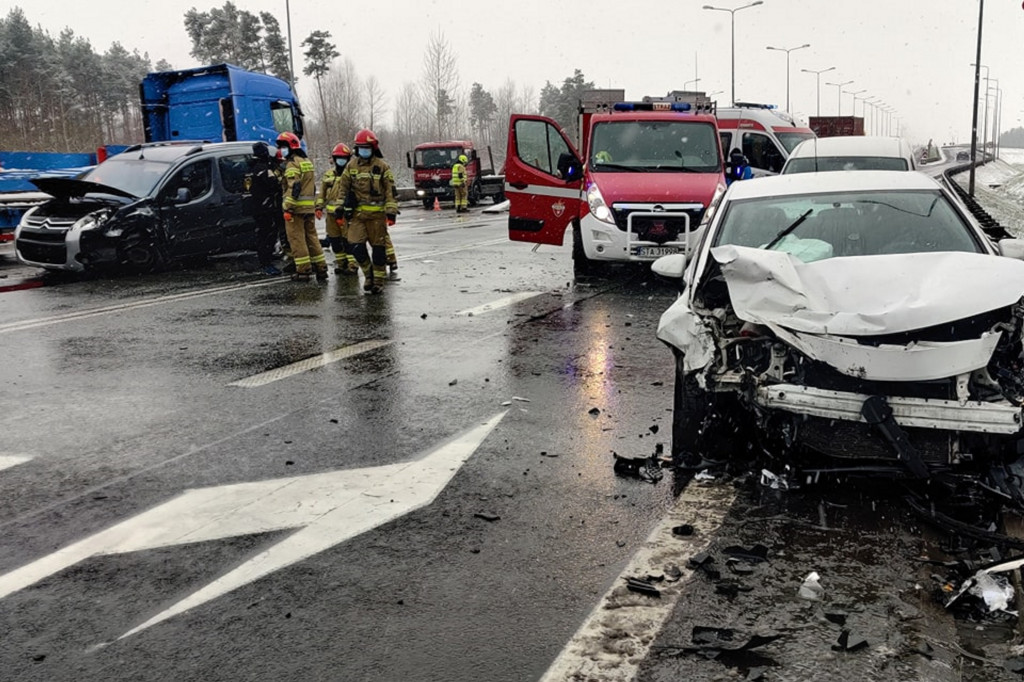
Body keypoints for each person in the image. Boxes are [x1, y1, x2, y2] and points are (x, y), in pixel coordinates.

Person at [339, 128, 399, 294]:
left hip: (377, 217)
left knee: (379, 250)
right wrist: (340, 206)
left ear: (373, 148)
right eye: (360, 147)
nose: (363, 151)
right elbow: (343, 188)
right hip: (358, 216)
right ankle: (368, 274)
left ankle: (378, 281)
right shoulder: (351, 166)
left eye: (366, 147)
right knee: (355, 245)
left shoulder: (382, 167)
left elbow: (390, 191)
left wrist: (391, 211)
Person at [276, 132, 328, 282]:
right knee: (312, 237)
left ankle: (303, 270)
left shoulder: (292, 164)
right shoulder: (307, 162)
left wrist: (288, 208)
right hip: (308, 208)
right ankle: (321, 267)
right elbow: (310, 187)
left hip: (296, 209)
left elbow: (295, 186)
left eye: (283, 147)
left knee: (297, 239)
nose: (281, 150)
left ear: (291, 147)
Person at [316, 143, 359, 275]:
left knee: (349, 241)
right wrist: (318, 207)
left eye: (344, 158)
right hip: (331, 215)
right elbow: (322, 192)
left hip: (346, 214)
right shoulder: (328, 175)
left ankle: (352, 265)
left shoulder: (352, 174)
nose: (341, 161)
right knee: (335, 240)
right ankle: (341, 264)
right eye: (338, 158)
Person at [247, 142, 284, 275]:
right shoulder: (262, 169)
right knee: (267, 236)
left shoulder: (253, 167)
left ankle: (266, 259)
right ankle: (266, 263)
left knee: (265, 235)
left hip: (260, 206)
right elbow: (274, 184)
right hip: (265, 208)